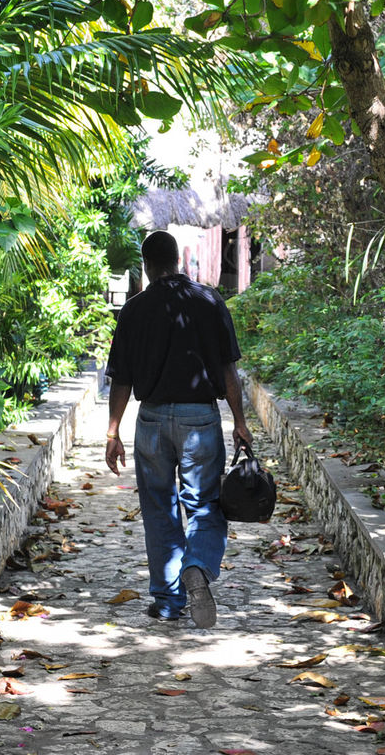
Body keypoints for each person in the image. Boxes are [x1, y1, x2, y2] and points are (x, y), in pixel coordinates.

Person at [103, 231, 252, 627]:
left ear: (147, 264)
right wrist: (239, 421)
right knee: (204, 504)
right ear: (177, 260)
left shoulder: (133, 310)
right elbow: (228, 370)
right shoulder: (209, 300)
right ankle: (198, 567)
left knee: (159, 509)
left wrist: (113, 432)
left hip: (151, 420)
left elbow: (121, 379)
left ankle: (169, 602)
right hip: (200, 419)